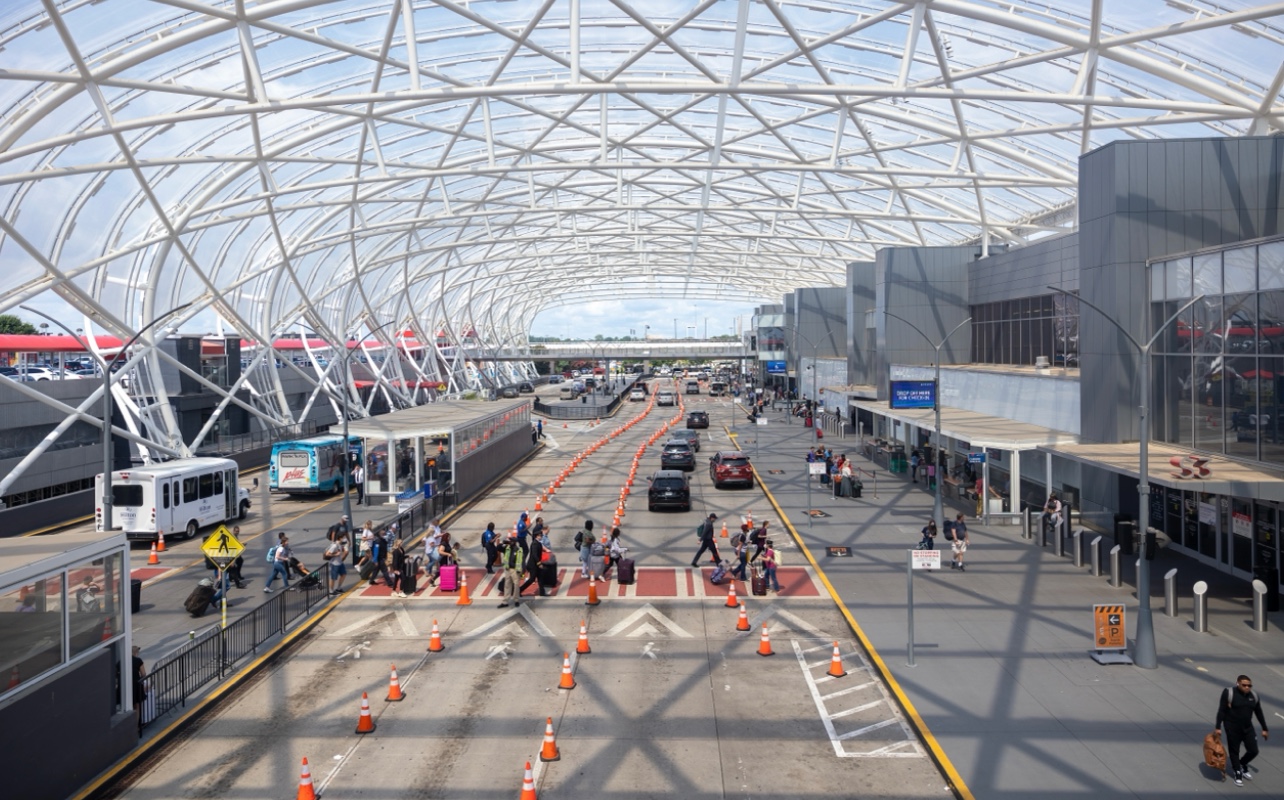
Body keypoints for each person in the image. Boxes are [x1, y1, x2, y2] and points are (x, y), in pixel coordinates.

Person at [1216, 675, 1269, 785]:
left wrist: (1264, 728)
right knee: (1234, 751)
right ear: (1238, 684)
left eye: (1249, 685)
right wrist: (1218, 727)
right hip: (1232, 727)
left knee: (1254, 750)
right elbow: (1221, 710)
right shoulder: (1229, 693)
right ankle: (1238, 771)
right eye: (1244, 685)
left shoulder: (1253, 696)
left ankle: (1243, 763)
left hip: (1247, 727)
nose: (1247, 687)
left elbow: (1258, 712)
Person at [497, 535, 523, 608]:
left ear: (514, 542)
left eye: (511, 541)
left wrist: (521, 571)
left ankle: (516, 600)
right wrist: (503, 543)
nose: (510, 542)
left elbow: (521, 561)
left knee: (516, 585)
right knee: (507, 585)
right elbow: (498, 548)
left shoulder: (518, 550)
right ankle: (505, 601)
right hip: (508, 569)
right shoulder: (507, 548)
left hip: (515, 570)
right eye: (510, 541)